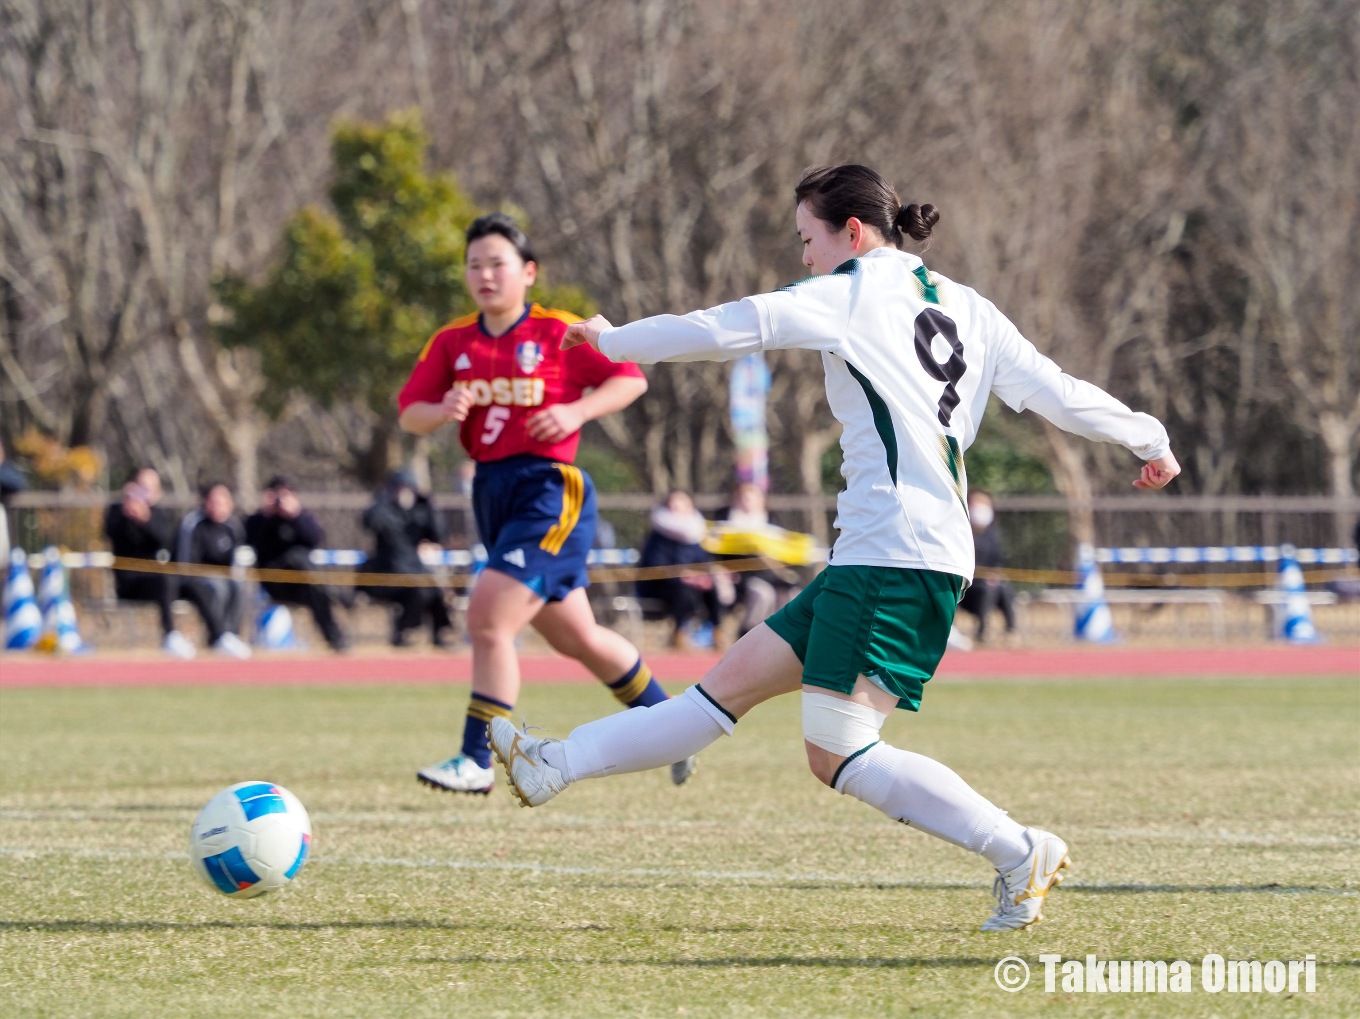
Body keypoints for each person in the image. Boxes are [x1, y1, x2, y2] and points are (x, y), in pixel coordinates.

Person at [490, 164, 1180, 932]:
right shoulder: (968, 307)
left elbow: (727, 328)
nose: (805, 259)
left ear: (852, 233)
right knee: (726, 687)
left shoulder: (850, 292)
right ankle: (555, 763)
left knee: (838, 749)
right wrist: (1146, 436)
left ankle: (1020, 849)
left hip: (895, 551)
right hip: (895, 550)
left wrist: (614, 338)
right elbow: (1057, 390)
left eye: (807, 240)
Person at [397, 211, 694, 795]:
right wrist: (442, 410)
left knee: (487, 617)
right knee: (575, 637)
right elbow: (411, 414)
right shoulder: (453, 342)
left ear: (528, 272)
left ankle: (475, 760)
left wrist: (576, 411)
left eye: (497, 263)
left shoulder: (558, 331)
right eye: (474, 264)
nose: (485, 274)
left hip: (551, 491)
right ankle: (675, 730)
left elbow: (630, 378)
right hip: (492, 491)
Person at [246, 475, 348, 652]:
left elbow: (315, 538)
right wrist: (267, 515)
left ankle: (336, 639)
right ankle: (337, 593)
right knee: (297, 558)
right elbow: (250, 542)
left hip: (303, 584)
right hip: (273, 582)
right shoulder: (258, 520)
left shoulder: (301, 518)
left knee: (317, 590)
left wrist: (295, 516)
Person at [102, 467, 196, 659]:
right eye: (142, 486)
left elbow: (165, 541)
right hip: (131, 583)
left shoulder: (157, 514)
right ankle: (170, 634)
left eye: (152, 487)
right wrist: (127, 512)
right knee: (165, 579)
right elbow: (111, 535)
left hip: (159, 578)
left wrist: (146, 519)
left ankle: (222, 635)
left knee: (197, 584)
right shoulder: (116, 511)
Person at [360, 470, 453, 648]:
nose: (404, 493)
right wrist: (384, 499)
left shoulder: (419, 513)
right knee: (418, 588)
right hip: (386, 574)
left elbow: (440, 535)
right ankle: (403, 631)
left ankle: (439, 633)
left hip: (414, 570)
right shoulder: (384, 510)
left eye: (409, 488)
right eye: (400, 488)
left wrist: (429, 507)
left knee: (433, 590)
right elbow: (370, 522)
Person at [638, 490, 730, 650]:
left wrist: (704, 575)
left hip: (691, 584)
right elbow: (656, 565)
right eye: (673, 502)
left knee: (712, 585)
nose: (677, 506)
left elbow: (703, 562)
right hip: (662, 586)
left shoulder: (695, 533)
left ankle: (717, 630)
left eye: (681, 502)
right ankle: (679, 632)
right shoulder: (659, 535)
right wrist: (683, 575)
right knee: (683, 590)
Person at [176, 482, 252, 659]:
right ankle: (219, 636)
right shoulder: (193, 523)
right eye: (215, 500)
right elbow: (187, 563)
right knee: (219, 586)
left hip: (226, 577)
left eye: (224, 500)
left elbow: (237, 558)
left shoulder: (233, 525)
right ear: (205, 502)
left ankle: (231, 635)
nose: (220, 505)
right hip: (196, 579)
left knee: (240, 585)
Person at [721, 481, 800, 636]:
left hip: (773, 573)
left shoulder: (771, 521)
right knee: (764, 594)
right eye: (744, 498)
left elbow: (785, 550)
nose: (748, 502)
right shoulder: (726, 522)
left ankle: (782, 633)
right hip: (745, 576)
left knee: (791, 592)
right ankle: (749, 633)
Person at [956, 490, 1015, 642]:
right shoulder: (962, 531)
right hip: (969, 585)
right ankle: (981, 631)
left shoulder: (993, 534)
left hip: (989, 583)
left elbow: (998, 560)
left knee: (1004, 588)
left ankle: (1011, 631)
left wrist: (996, 574)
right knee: (986, 590)